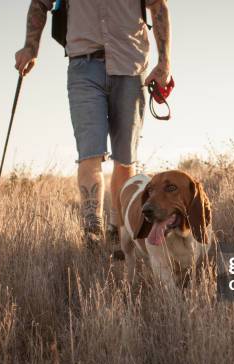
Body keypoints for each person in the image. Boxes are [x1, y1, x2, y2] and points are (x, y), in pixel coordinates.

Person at [14, 0, 172, 250]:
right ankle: (92, 231)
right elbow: (39, 4)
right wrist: (30, 47)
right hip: (83, 68)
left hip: (130, 66)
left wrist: (164, 62)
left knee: (125, 158)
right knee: (90, 153)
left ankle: (116, 228)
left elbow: (159, 7)